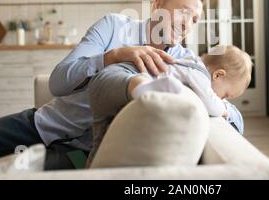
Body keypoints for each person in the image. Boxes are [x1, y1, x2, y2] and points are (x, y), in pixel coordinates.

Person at [0, 0, 244, 172]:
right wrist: (114, 56)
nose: (188, 24)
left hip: (84, 154)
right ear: (157, 5)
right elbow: (58, 82)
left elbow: (222, 106)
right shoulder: (114, 26)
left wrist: (229, 111)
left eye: (195, 19)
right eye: (183, 12)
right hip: (43, 125)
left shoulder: (184, 62)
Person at [86, 45, 253, 165]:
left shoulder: (190, 62)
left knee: (100, 140)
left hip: (113, 79)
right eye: (225, 95)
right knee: (99, 137)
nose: (222, 99)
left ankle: (89, 171)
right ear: (218, 75)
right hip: (122, 76)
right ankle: (146, 89)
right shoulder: (200, 75)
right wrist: (224, 109)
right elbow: (212, 105)